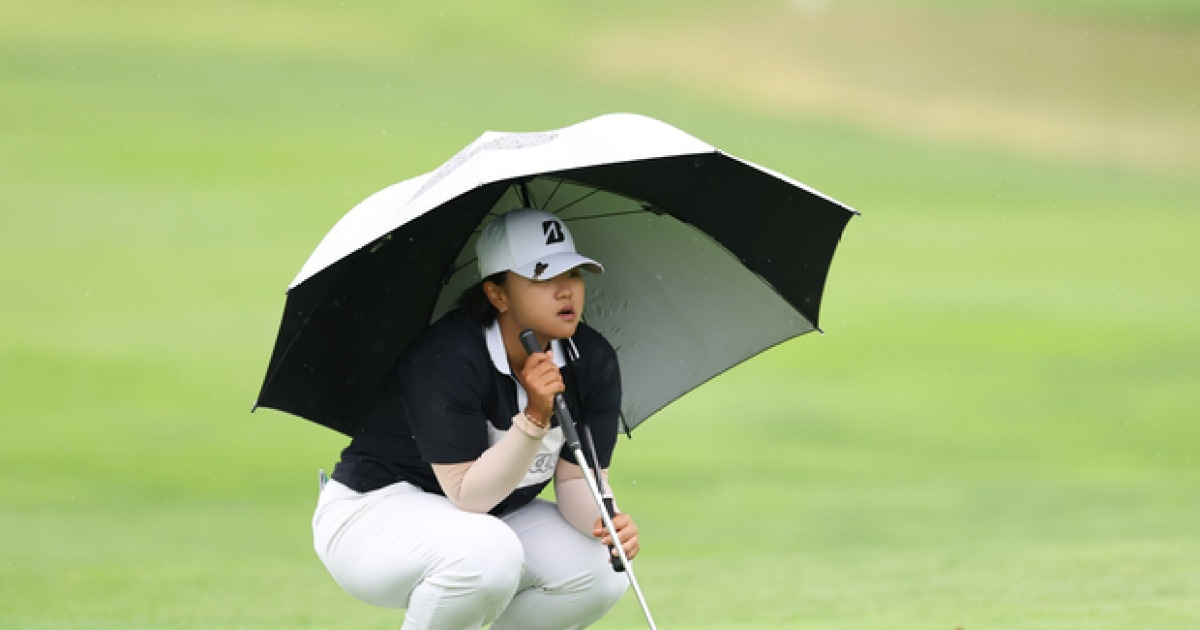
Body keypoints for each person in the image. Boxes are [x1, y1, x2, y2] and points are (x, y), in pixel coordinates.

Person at [311, 208, 639, 629]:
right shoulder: (447, 356)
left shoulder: (591, 359)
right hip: (372, 515)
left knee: (598, 570)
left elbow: (576, 479)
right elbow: (468, 495)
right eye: (542, 277)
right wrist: (535, 418)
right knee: (487, 553)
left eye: (574, 274)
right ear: (497, 295)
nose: (566, 292)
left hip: (487, 523)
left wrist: (603, 521)